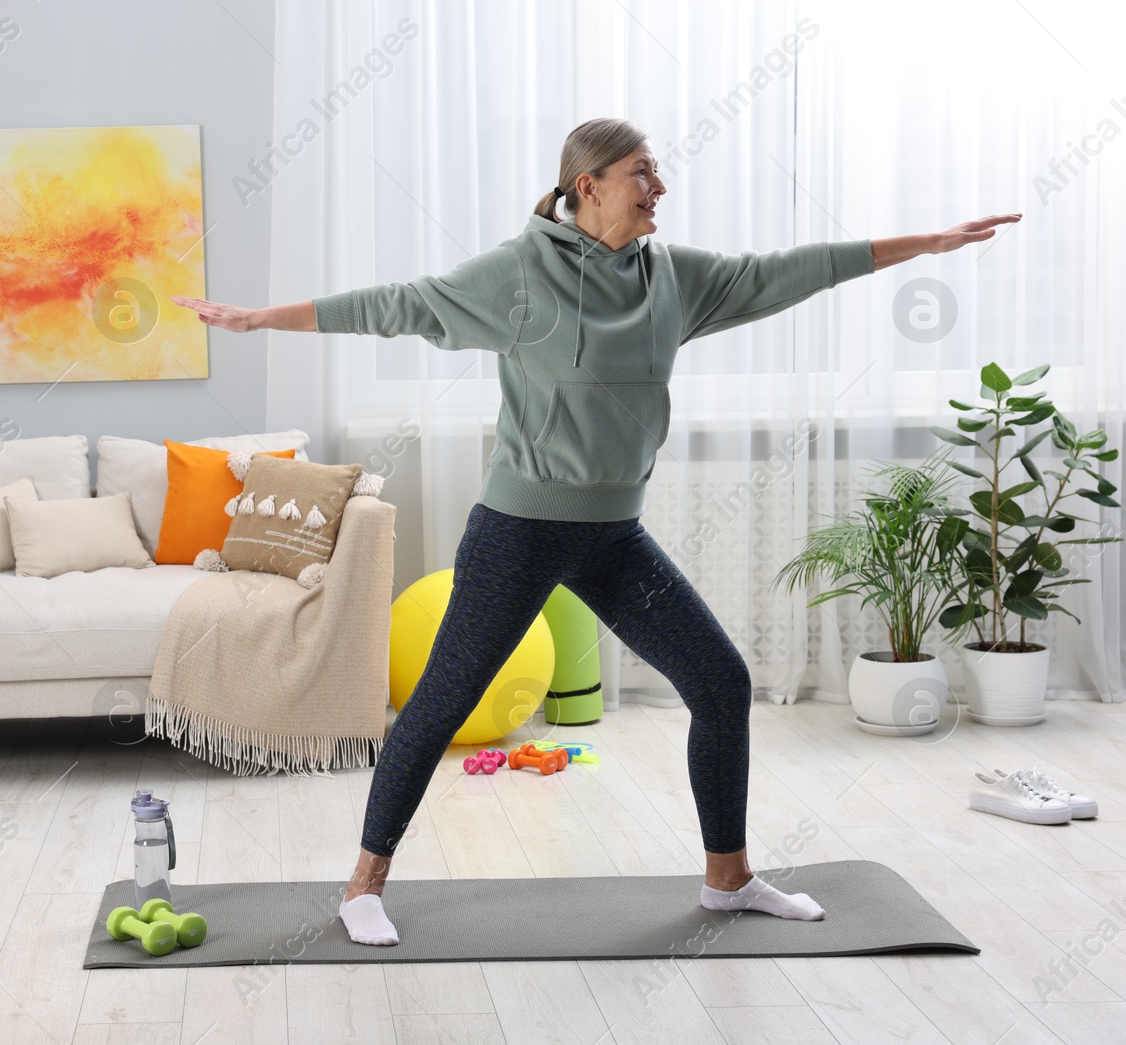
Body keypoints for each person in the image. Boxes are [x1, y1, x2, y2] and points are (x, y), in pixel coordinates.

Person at [172, 117, 1020, 946]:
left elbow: (785, 272)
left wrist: (926, 244)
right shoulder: (519, 276)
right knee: (438, 706)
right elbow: (400, 304)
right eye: (643, 172)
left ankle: (729, 878)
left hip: (614, 535)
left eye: (657, 171)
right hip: (519, 531)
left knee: (720, 682)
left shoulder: (671, 278)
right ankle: (363, 885)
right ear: (591, 186)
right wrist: (260, 319)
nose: (659, 186)